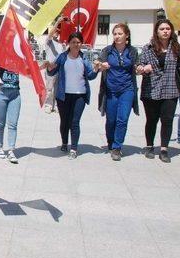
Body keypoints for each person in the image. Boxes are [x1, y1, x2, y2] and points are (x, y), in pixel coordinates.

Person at [138, 19, 180, 163]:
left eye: (168, 28)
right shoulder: (148, 48)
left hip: (170, 88)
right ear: (156, 32)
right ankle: (149, 146)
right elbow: (140, 66)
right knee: (152, 120)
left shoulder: (177, 48)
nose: (165, 31)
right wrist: (142, 69)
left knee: (167, 120)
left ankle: (164, 149)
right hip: (151, 89)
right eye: (162, 29)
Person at [45, 31, 98, 159]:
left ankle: (74, 148)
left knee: (75, 122)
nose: (76, 45)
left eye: (78, 42)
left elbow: (90, 76)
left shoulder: (84, 58)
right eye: (73, 42)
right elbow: (52, 73)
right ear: (69, 43)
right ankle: (64, 142)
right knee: (64, 121)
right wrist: (49, 67)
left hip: (80, 95)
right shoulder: (62, 57)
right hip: (63, 95)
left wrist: (96, 69)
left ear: (81, 44)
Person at [94, 23, 140, 161]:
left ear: (127, 35)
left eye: (120, 34)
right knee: (111, 120)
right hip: (110, 90)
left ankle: (117, 147)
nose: (117, 36)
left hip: (127, 89)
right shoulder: (107, 51)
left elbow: (137, 66)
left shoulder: (132, 51)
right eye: (115, 34)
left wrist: (139, 69)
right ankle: (111, 141)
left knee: (123, 119)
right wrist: (100, 65)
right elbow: (97, 62)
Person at [43, 18, 65, 113]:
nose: (57, 32)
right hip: (50, 69)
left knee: (57, 89)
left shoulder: (61, 44)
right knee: (49, 89)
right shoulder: (49, 41)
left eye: (58, 31)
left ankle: (55, 105)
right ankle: (48, 105)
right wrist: (57, 22)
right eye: (56, 30)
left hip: (59, 69)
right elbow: (50, 34)